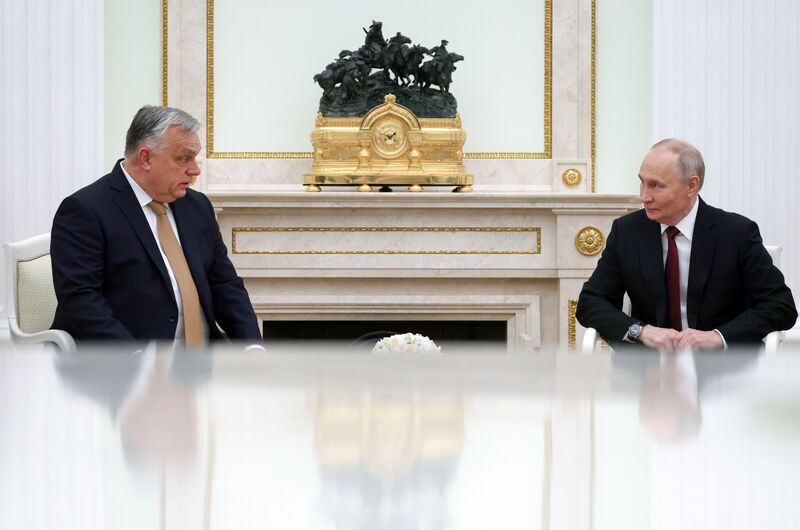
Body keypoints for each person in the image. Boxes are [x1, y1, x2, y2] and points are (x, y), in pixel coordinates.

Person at [50, 106, 262, 347]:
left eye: (195, 157)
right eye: (183, 158)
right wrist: (137, 362)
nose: (195, 169)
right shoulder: (85, 210)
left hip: (204, 363)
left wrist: (252, 347)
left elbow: (225, 284)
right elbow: (81, 300)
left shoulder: (197, 206)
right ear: (146, 158)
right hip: (124, 366)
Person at [576, 138, 797, 351]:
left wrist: (717, 337)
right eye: (642, 182)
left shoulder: (736, 233)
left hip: (723, 370)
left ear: (691, 185)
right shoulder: (627, 232)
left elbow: (780, 306)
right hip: (648, 371)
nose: (644, 196)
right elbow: (590, 302)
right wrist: (641, 331)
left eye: (656, 186)